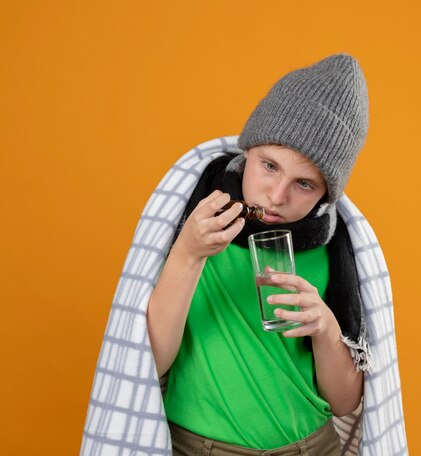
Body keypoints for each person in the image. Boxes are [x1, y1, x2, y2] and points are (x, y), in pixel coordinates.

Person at [147, 53, 371, 455]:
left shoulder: (332, 247)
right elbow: (151, 361)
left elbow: (344, 402)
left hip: (312, 446)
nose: (277, 195)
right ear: (247, 151)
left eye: (304, 184)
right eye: (269, 165)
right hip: (197, 447)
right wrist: (188, 254)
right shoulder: (198, 221)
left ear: (327, 194)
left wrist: (326, 330)